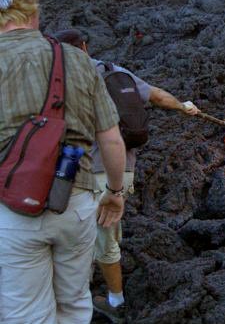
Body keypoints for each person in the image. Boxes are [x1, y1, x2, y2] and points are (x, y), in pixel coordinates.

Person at [0, 0, 126, 323]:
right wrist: (115, 192)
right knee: (73, 303)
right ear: (35, 9)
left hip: (12, 209)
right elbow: (111, 139)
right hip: (76, 203)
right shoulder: (78, 60)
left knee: (25, 312)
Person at [55, 29, 201, 323]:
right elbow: (157, 96)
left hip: (85, 173)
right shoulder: (113, 71)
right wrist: (183, 106)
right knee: (104, 231)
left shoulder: (59, 81)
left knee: (99, 237)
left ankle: (115, 301)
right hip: (122, 170)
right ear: (85, 46)